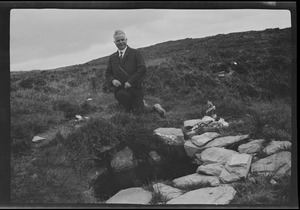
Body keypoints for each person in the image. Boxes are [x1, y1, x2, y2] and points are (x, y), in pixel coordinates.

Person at [105, 30, 166, 118]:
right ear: (114, 42)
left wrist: (130, 81)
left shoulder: (135, 53)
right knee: (127, 109)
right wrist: (113, 80)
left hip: (136, 89)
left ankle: (154, 107)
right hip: (121, 91)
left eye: (122, 39)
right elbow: (108, 73)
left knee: (138, 113)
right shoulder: (112, 58)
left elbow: (142, 69)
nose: (121, 42)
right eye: (118, 41)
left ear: (126, 40)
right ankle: (131, 106)